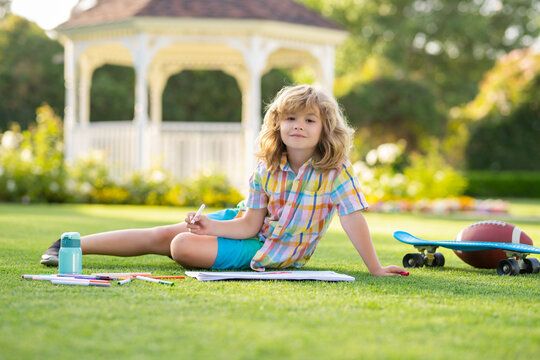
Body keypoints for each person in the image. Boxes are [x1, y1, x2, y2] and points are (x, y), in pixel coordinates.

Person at [41, 84, 406, 276]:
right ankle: (71, 245)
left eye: (310, 120)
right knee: (167, 234)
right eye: (291, 119)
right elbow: (249, 222)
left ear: (325, 128)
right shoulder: (267, 167)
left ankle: (184, 239)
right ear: (278, 123)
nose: (299, 126)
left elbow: (353, 218)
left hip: (274, 251)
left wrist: (374, 267)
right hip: (249, 228)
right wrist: (211, 224)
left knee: (182, 246)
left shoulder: (336, 170)